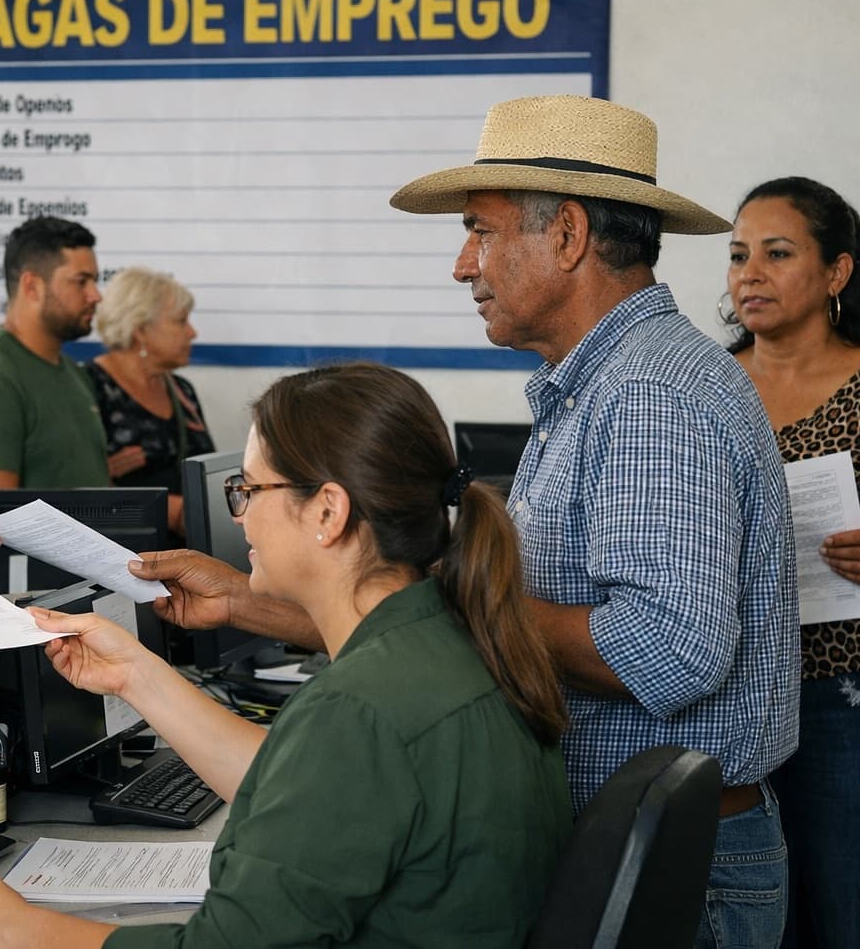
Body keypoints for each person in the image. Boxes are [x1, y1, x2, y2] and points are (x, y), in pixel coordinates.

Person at [132, 95, 799, 946]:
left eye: (481, 232)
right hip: (641, 854)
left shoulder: (646, 395)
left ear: (567, 235)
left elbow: (666, 651)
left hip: (671, 876)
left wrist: (464, 599)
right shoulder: (607, 384)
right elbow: (451, 628)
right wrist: (245, 605)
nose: (462, 265)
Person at [0, 363, 572, 949]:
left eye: (249, 490)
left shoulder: (361, 708)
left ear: (328, 512)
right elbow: (304, 788)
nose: (239, 516)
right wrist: (136, 675)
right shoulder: (449, 643)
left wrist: (17, 930)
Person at [721, 176, 860, 948]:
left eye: (777, 254)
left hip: (840, 690)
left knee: (841, 907)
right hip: (729, 688)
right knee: (750, 912)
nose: (750, 274)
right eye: (738, 255)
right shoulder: (709, 386)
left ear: (837, 272)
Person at [0, 216, 109, 524]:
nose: (96, 295)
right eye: (81, 281)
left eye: (95, 280)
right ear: (32, 286)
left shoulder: (71, 371)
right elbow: (2, 523)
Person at [86, 267, 215, 538]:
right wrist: (169, 510)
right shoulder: (88, 387)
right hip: (124, 551)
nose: (192, 333)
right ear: (141, 329)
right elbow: (77, 487)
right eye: (181, 321)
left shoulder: (182, 390)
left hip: (190, 549)